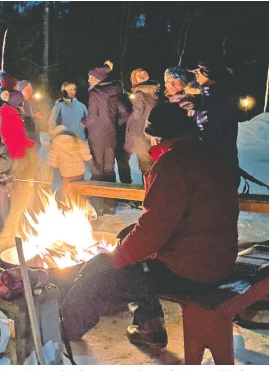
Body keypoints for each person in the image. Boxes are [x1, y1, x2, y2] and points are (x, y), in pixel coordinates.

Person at [61, 103, 239, 350]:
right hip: (219, 257)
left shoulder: (174, 165)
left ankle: (63, 331)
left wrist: (117, 258)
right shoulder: (207, 154)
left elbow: (152, 231)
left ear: (159, 135)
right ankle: (149, 325)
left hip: (192, 271)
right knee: (131, 247)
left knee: (100, 269)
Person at [82, 61, 130, 215]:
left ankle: (98, 206)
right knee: (109, 168)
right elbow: (125, 114)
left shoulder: (95, 93)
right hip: (111, 135)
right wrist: (113, 124)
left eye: (90, 77)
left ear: (97, 79)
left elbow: (93, 117)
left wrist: (84, 122)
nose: (89, 80)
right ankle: (110, 204)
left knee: (97, 167)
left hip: (96, 135)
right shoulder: (115, 93)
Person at [190, 57, 241, 178]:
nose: (195, 75)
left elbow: (212, 136)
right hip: (211, 166)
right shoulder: (207, 97)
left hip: (216, 169)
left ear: (210, 73)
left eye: (198, 71)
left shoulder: (220, 99)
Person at [0, 90, 36, 242]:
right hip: (17, 158)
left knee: (18, 193)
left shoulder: (7, 114)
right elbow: (18, 139)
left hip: (12, 158)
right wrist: (31, 143)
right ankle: (11, 230)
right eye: (21, 103)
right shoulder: (12, 117)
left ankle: (15, 227)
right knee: (21, 194)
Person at [125, 68, 160, 177]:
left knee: (145, 167)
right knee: (154, 165)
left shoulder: (139, 95)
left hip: (141, 135)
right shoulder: (154, 94)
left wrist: (128, 124)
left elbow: (137, 115)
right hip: (152, 134)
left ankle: (147, 190)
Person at [46, 125, 92, 200]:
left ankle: (67, 207)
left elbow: (52, 159)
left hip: (66, 174)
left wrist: (54, 166)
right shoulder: (76, 140)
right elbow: (86, 155)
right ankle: (80, 205)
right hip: (79, 173)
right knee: (79, 191)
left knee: (66, 193)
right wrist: (90, 163)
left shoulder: (56, 143)